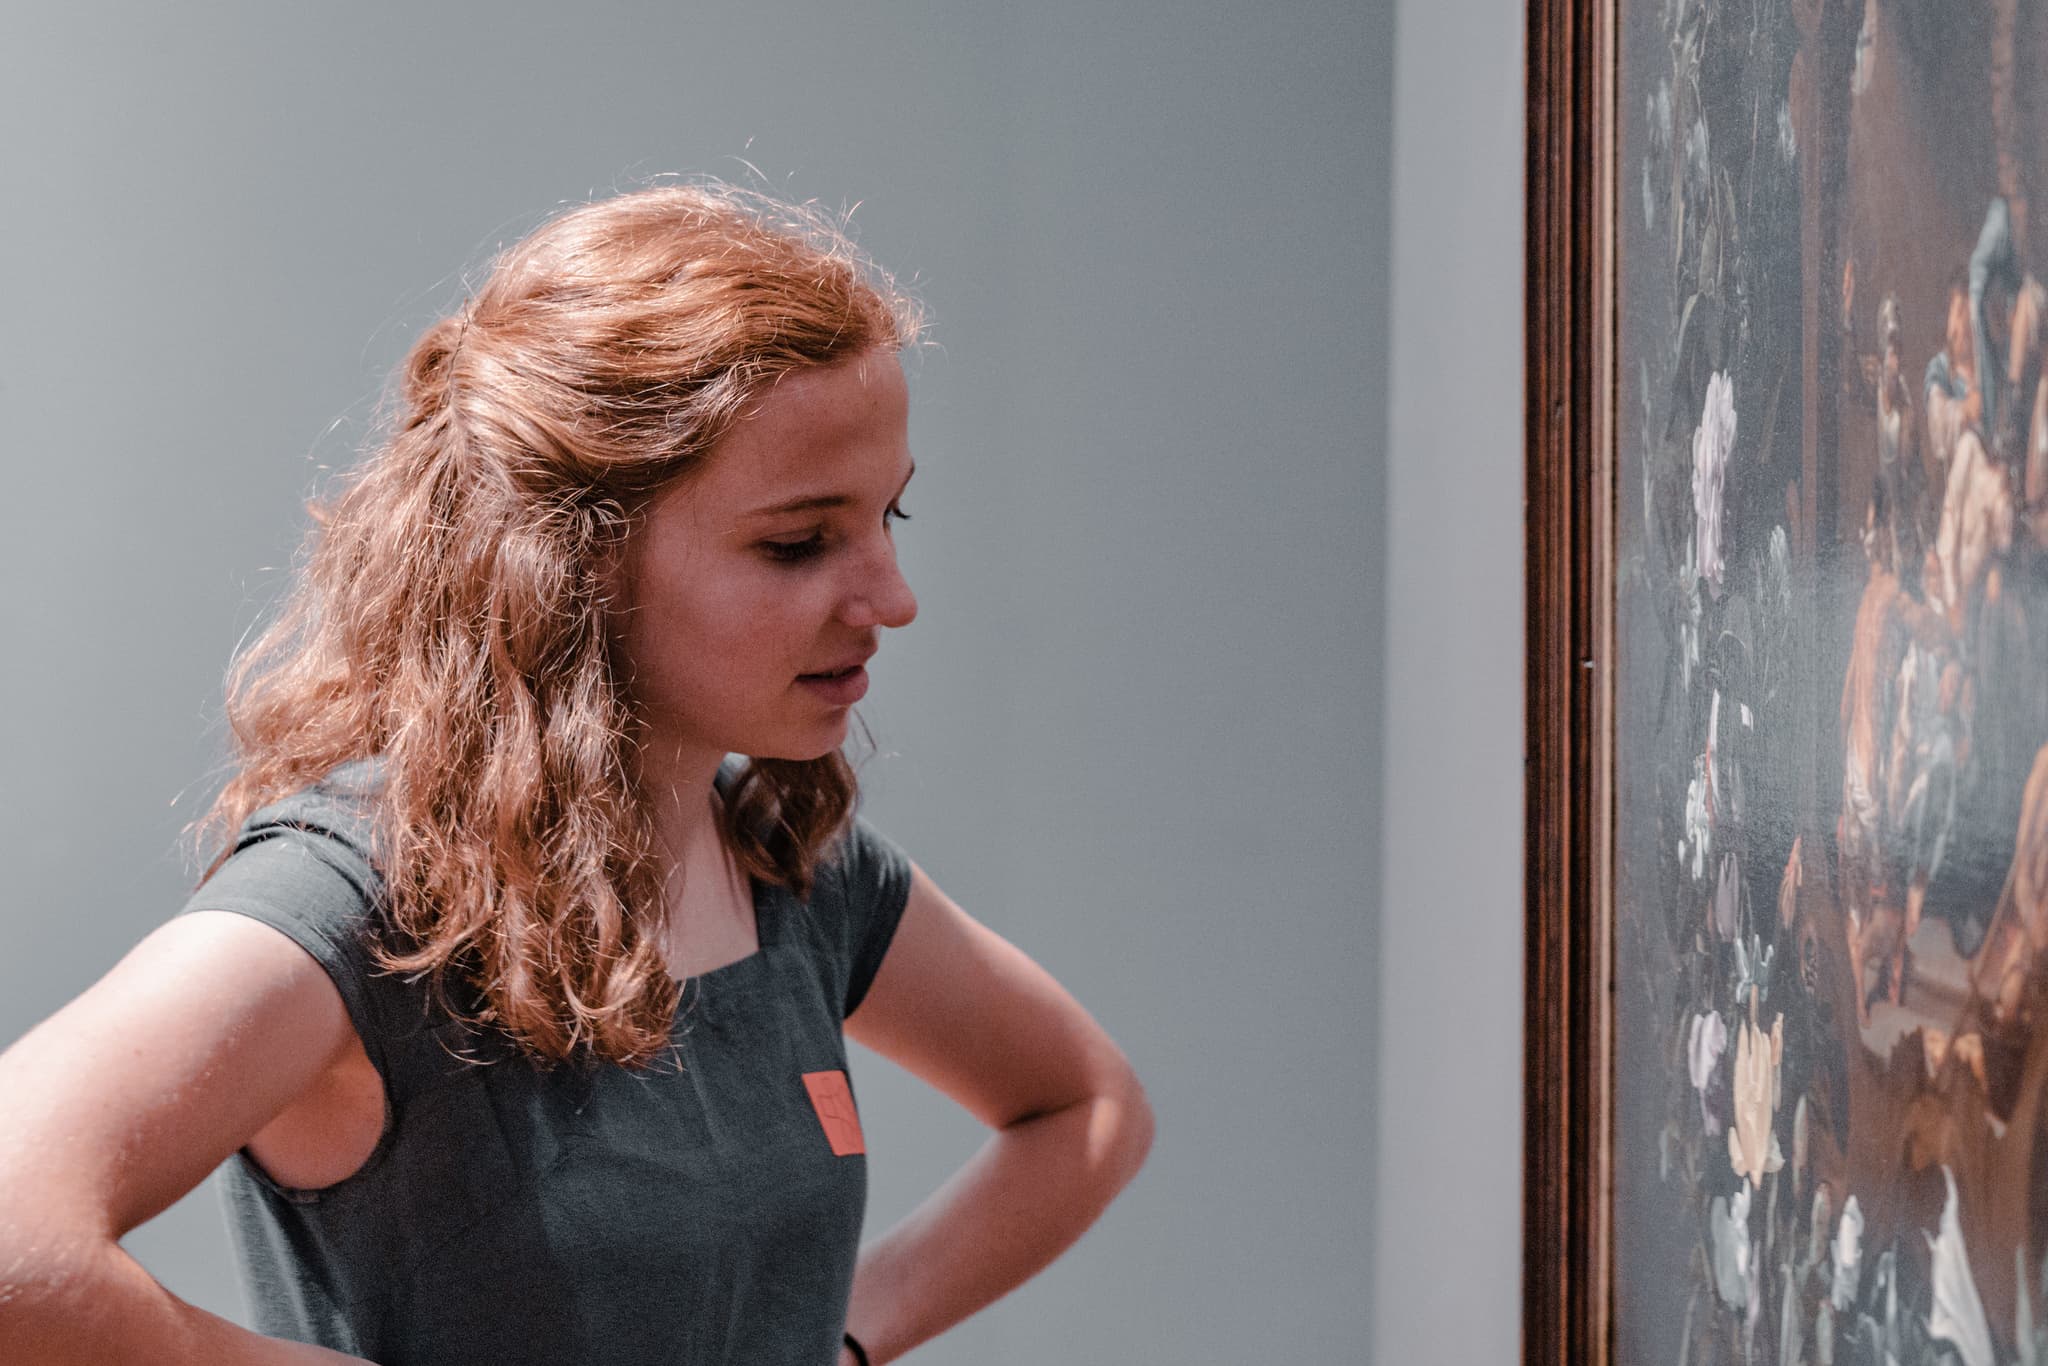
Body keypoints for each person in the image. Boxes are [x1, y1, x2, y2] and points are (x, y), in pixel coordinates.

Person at [0, 184, 1155, 1365]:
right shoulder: (363, 898)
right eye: (798, 542)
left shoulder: (789, 867)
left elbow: (1088, 1106)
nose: (891, 599)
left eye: (886, 516)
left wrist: (843, 1342)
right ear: (572, 561)